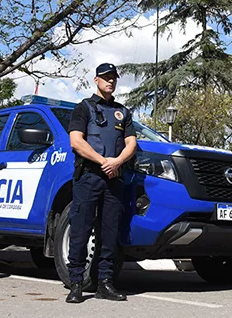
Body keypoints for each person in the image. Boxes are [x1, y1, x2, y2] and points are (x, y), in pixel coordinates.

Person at [65, 63, 137, 303]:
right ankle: (75, 283)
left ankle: (105, 283)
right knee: (80, 231)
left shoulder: (123, 112)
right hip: (88, 177)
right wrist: (103, 161)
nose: (111, 81)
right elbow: (76, 141)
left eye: (113, 78)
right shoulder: (83, 108)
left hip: (114, 179)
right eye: (106, 77)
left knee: (110, 233)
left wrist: (116, 163)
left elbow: (132, 144)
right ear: (96, 80)